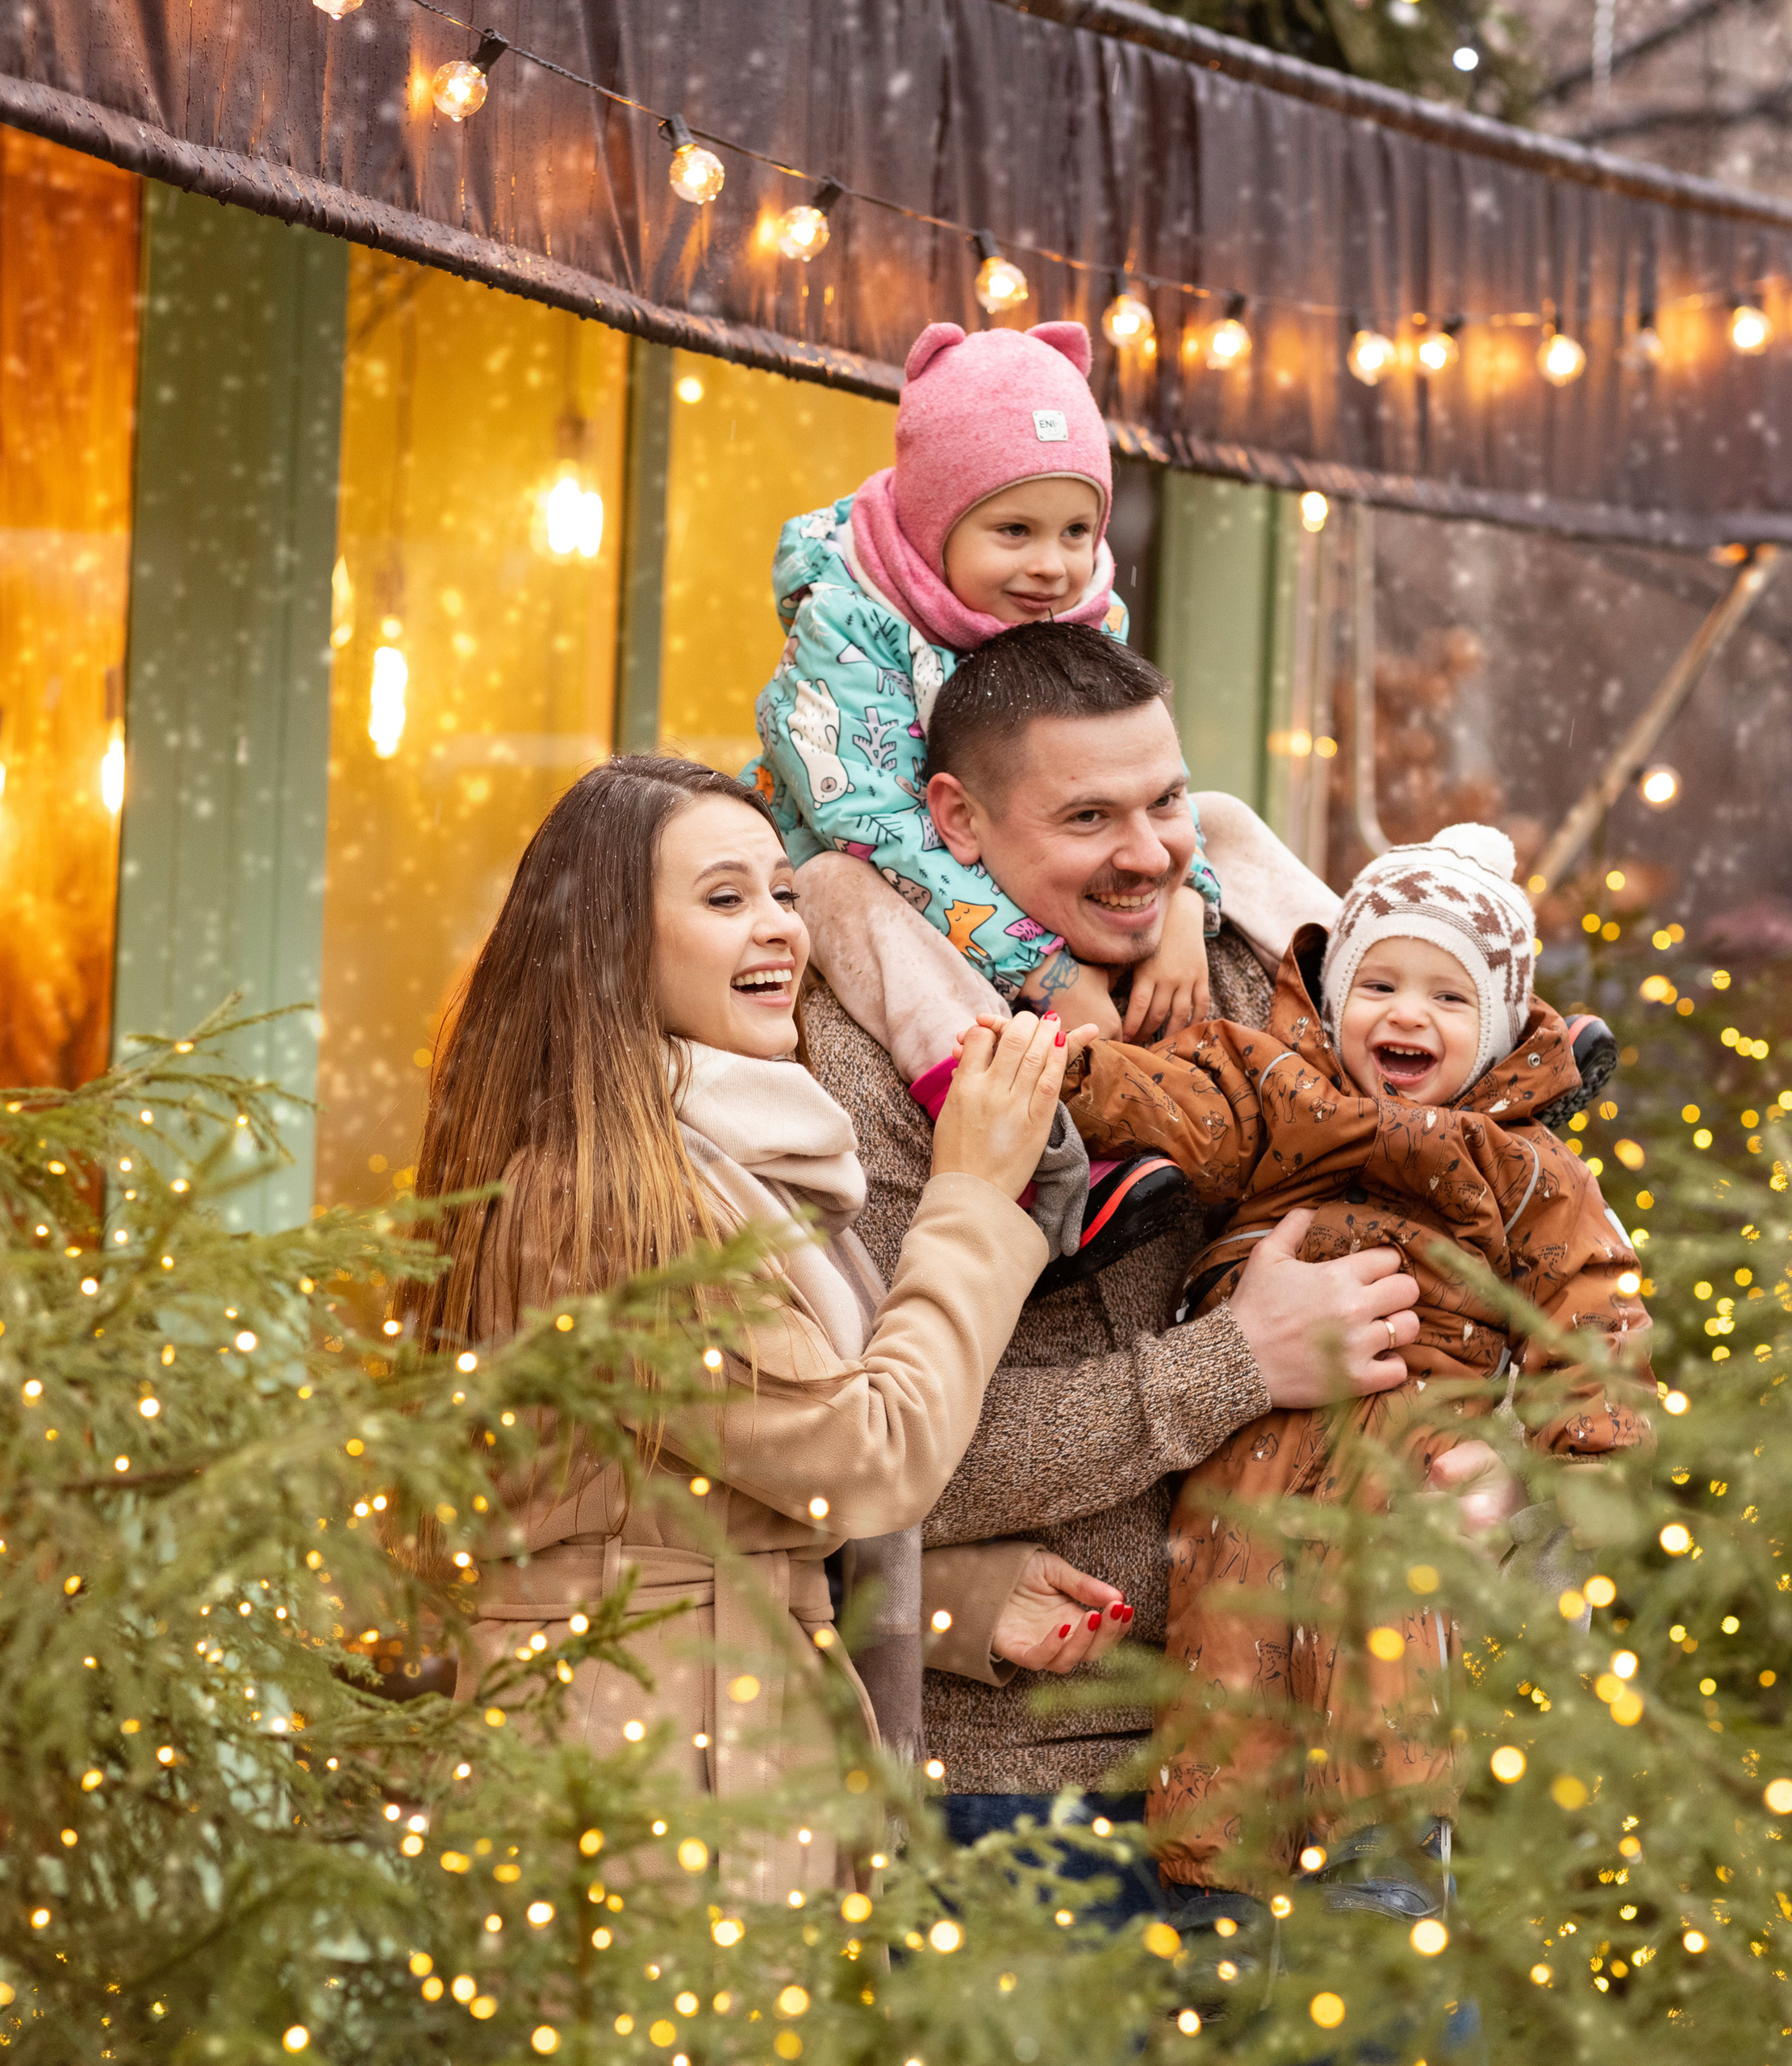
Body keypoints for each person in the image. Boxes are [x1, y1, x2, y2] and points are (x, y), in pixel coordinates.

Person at [795, 623, 1527, 1902]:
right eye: (1089, 817)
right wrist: (1235, 1363)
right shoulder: (862, 1055)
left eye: (1169, 802)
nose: (1147, 855)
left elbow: (1483, 1248)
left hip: (1343, 1744)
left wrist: (1489, 1448)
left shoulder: (1276, 981)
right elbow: (869, 1451)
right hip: (1037, 1787)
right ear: (956, 818)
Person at [402, 755, 1123, 1904]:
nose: (780, 929)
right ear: (610, 946)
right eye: (725, 898)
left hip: (707, 1757)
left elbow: (711, 1520)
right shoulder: (613, 1204)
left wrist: (956, 1606)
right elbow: (864, 1459)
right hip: (652, 1807)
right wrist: (974, 1195)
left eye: (784, 894)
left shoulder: (740, 1171)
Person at [1049, 821, 1656, 1909]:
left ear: (1507, 1026)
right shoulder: (1280, 1092)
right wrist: (1068, 1067)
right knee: (1224, 1665)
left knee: (1386, 1656)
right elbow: (1175, 1096)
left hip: (1412, 1445)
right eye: (1379, 982)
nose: (1407, 1014)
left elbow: (1592, 1305)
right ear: (1335, 1001)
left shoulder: (1528, 1167)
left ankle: (1383, 1886)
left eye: (1450, 997)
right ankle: (1210, 1911)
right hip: (1252, 1452)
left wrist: (1563, 1465)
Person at [747, 320, 1223, 1285]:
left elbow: (1144, 782)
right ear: (933, 524)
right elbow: (872, 825)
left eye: (1075, 531)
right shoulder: (849, 624)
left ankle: (1387, 992)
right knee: (838, 889)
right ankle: (1038, 1164)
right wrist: (1045, 968)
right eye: (1013, 530)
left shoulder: (1074, 609)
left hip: (1013, 862)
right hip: (882, 877)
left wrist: (1187, 904)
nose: (1052, 566)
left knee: (1224, 814)